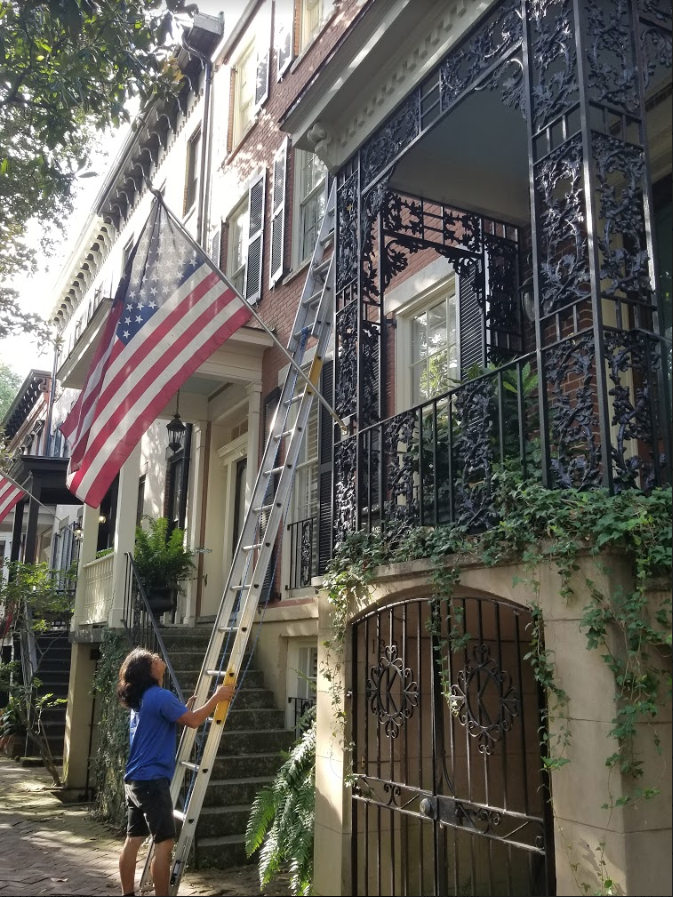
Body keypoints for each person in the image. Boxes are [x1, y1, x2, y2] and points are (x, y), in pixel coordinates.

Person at [116, 648, 234, 897]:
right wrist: (217, 697)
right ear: (149, 670)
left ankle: (127, 893)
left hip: (134, 780)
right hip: (152, 782)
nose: (159, 658)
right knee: (164, 844)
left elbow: (166, 721)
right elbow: (193, 722)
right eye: (153, 659)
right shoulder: (160, 695)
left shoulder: (143, 698)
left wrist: (183, 709)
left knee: (133, 840)